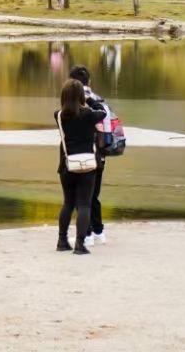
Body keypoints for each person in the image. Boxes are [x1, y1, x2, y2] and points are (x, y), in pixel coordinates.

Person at [55, 78, 104, 254]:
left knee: (68, 203)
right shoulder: (89, 115)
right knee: (84, 205)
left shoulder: (59, 115)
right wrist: (90, 99)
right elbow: (102, 112)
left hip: (67, 165)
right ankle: (80, 244)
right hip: (87, 166)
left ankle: (62, 241)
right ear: (81, 96)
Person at [69, 65, 110, 244]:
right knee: (94, 195)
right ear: (89, 81)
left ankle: (86, 235)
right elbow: (107, 127)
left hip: (80, 153)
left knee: (82, 196)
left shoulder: (71, 102)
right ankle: (99, 232)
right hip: (99, 153)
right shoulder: (100, 101)